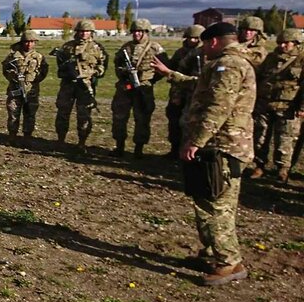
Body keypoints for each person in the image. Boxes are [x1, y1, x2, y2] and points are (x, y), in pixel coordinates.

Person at [180, 22, 257, 286]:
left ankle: (229, 262)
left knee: (218, 205)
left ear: (212, 42)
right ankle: (213, 252)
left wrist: (196, 141)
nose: (202, 49)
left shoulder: (230, 65)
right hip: (216, 146)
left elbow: (219, 107)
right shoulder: (228, 62)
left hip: (224, 146)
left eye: (204, 44)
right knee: (206, 198)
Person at [110, 18, 169, 157]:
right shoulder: (126, 47)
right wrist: (124, 74)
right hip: (125, 88)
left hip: (144, 88)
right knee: (119, 117)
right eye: (135, 31)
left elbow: (165, 68)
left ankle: (139, 149)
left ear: (146, 32)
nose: (136, 34)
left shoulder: (155, 48)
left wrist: (150, 80)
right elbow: (117, 64)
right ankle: (119, 146)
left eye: (140, 31)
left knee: (142, 118)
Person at [251, 28, 303, 182]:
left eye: (287, 43)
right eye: (280, 43)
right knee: (260, 137)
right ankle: (259, 166)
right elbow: (259, 77)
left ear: (296, 43)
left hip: (288, 107)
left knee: (285, 140)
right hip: (265, 104)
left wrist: (302, 108)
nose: (283, 46)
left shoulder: (301, 59)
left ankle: (282, 169)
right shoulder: (271, 58)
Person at [53, 19, 109, 151]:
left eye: (87, 31)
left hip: (85, 86)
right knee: (62, 113)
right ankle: (60, 140)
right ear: (76, 32)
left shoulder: (97, 48)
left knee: (84, 115)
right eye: (81, 31)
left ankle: (81, 142)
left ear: (91, 33)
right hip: (68, 85)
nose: (84, 34)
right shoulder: (67, 47)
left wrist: (94, 72)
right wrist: (67, 71)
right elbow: (60, 65)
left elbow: (103, 66)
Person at [165, 24, 205, 157]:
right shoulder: (180, 53)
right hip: (179, 91)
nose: (192, 41)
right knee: (174, 121)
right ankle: (174, 149)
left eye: (195, 38)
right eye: (189, 38)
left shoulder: (205, 53)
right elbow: (173, 70)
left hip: (196, 93)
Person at [2, 30, 49, 141]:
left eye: (32, 42)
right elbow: (5, 69)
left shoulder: (39, 57)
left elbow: (44, 71)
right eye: (27, 42)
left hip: (31, 92)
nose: (29, 44)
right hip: (15, 90)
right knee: (13, 114)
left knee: (30, 114)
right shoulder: (13, 56)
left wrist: (33, 80)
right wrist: (13, 77)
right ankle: (12, 136)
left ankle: (27, 137)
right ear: (22, 42)